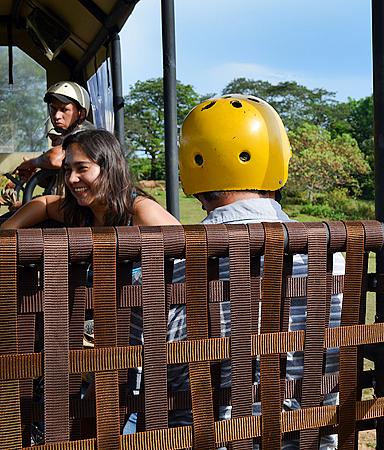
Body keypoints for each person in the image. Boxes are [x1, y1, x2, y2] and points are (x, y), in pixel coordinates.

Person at [175, 94, 343, 449]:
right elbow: (337, 365)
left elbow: (158, 377)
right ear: (278, 160)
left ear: (191, 167)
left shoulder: (172, 263)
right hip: (310, 439)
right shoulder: (333, 259)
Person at [1, 128, 179, 229]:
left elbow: (186, 260)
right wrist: (7, 231)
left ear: (109, 168)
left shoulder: (141, 212)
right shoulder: (81, 213)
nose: (71, 179)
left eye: (82, 168)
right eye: (68, 169)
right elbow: (45, 203)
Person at [15, 81, 95, 181]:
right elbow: (54, 182)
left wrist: (32, 163)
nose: (57, 116)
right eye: (53, 109)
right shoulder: (67, 136)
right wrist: (31, 175)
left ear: (81, 113)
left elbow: (54, 159)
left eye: (64, 110)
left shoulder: (87, 135)